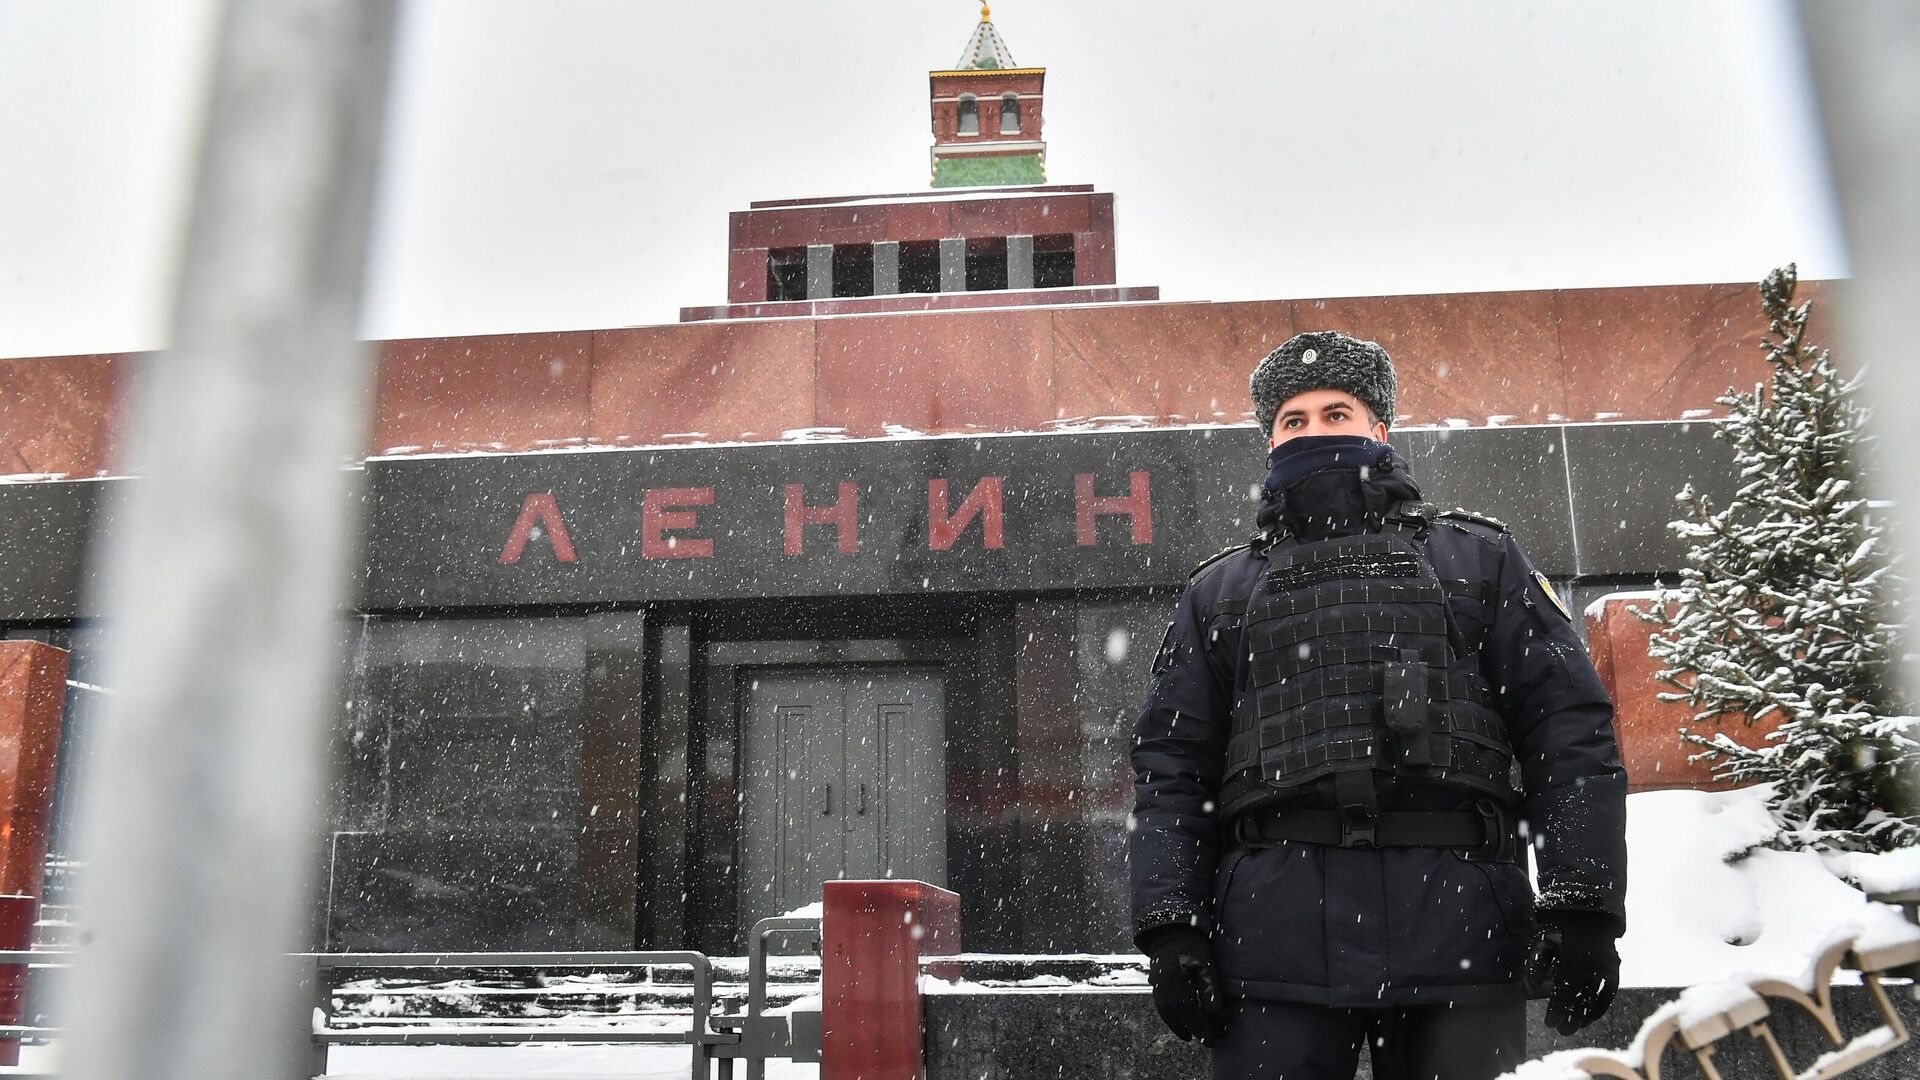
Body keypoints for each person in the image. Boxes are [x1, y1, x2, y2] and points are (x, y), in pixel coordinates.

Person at [1128, 331, 1628, 1080]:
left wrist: (1583, 903)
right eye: (1294, 420)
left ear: (1380, 429)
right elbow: (1172, 768)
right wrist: (1171, 926)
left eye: (1338, 412)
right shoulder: (1219, 592)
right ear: (1269, 440)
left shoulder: (1480, 560)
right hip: (1274, 947)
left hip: (1460, 932)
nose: (1317, 432)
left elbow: (1568, 734)